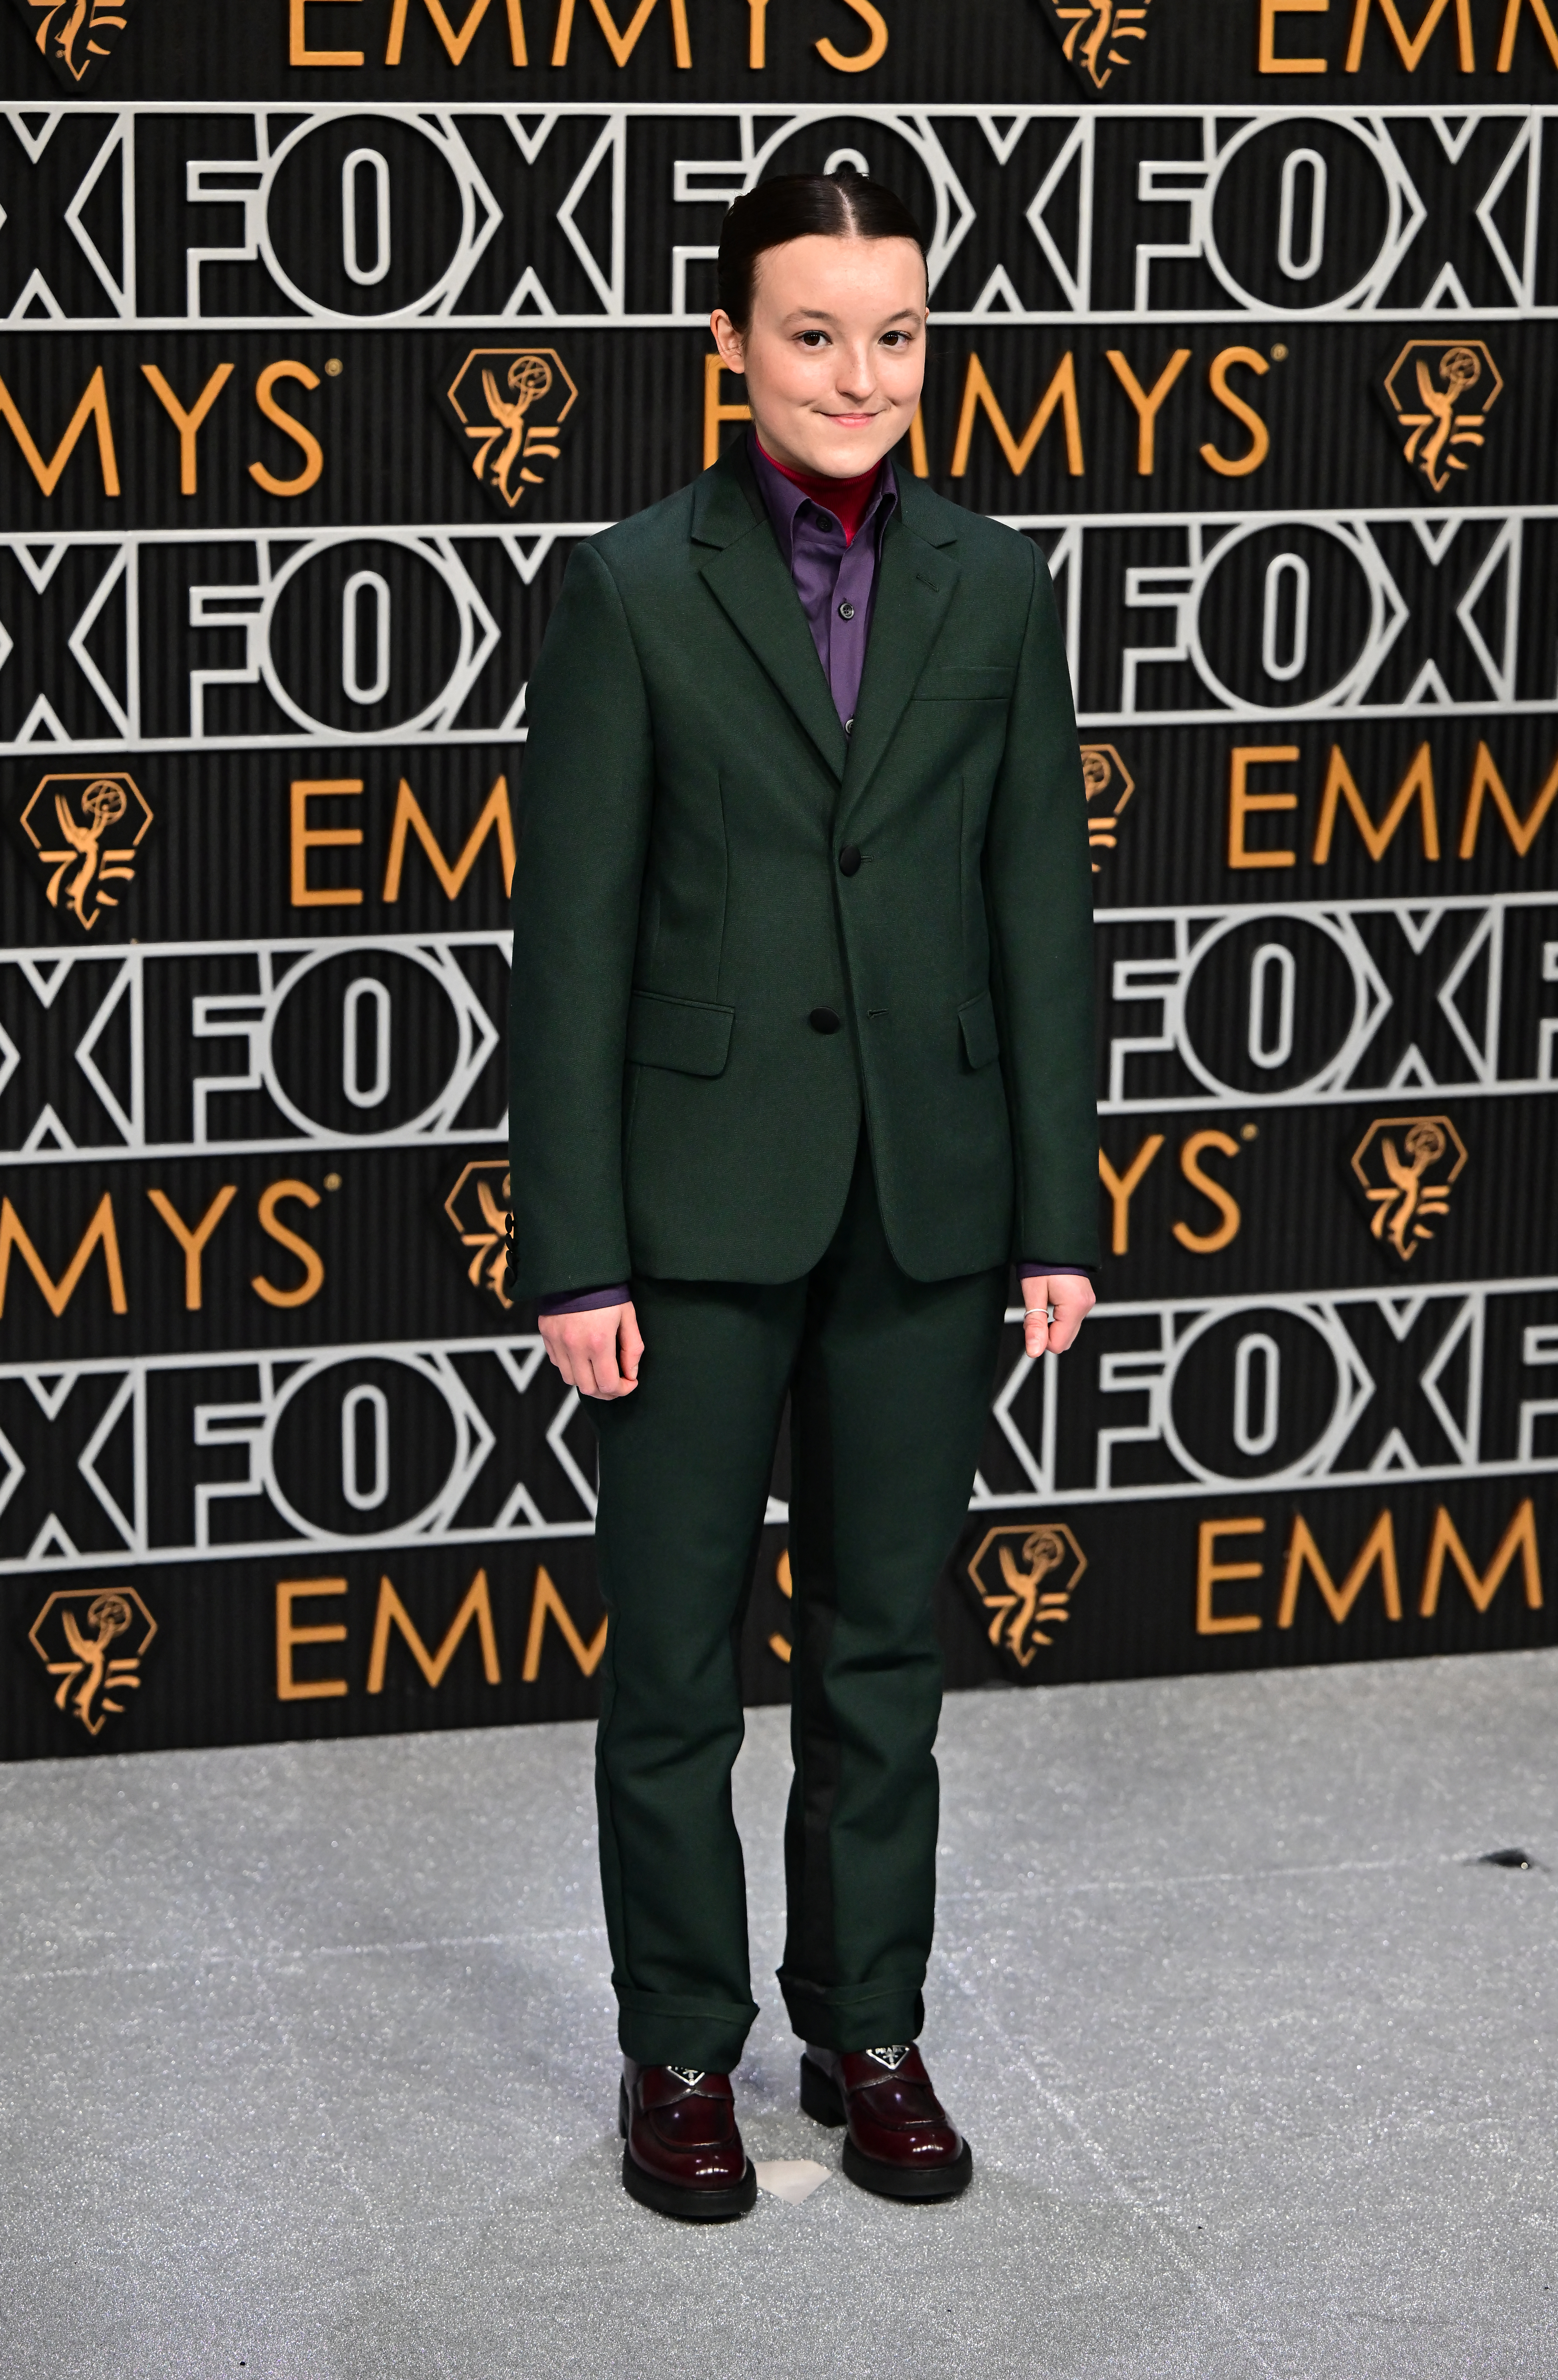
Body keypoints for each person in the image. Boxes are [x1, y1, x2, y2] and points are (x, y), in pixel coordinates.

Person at [508, 167, 1098, 2223]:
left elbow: (1044, 913)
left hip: (926, 1208)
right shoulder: (632, 586)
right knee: (674, 1656)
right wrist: (572, 1243)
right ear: (733, 350)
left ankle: (868, 2028)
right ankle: (681, 2047)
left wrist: (1056, 1210)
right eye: (816, 333)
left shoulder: (1002, 587)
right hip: (688, 1211)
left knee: (881, 1653)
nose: (861, 374)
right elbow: (568, 941)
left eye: (898, 334)